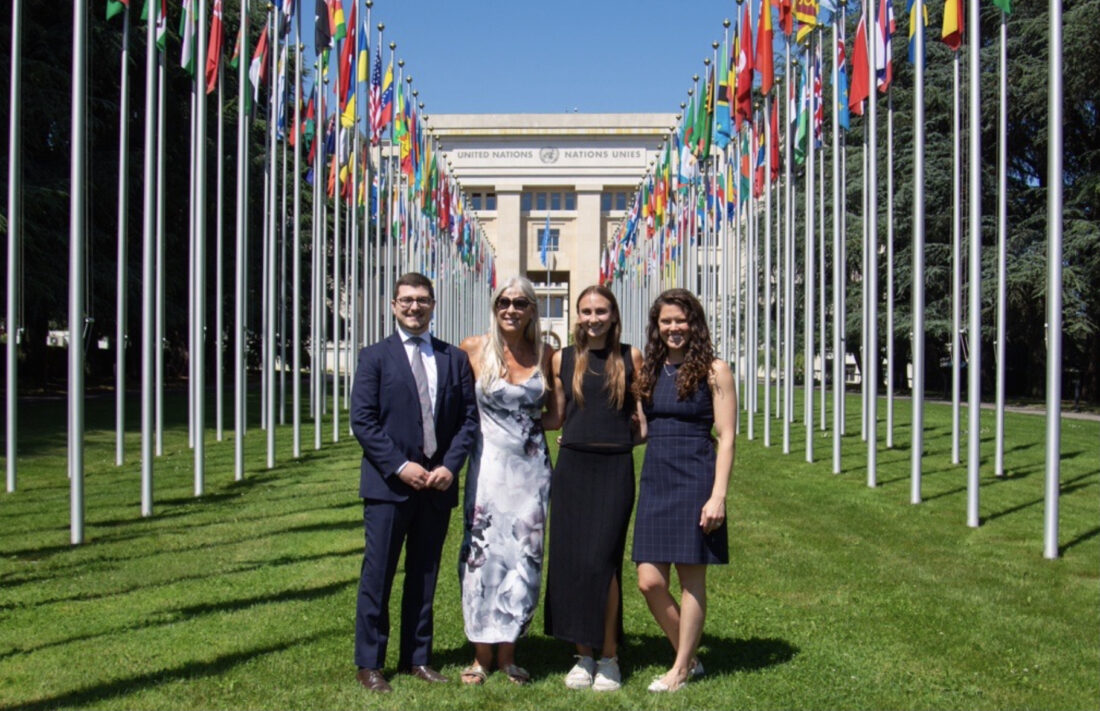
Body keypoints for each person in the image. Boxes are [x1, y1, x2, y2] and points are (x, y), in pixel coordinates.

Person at [350, 272, 480, 694]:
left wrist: (451, 465)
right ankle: (370, 663)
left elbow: (467, 421)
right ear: (393, 305)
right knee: (379, 574)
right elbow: (363, 422)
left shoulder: (453, 359)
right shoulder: (374, 357)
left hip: (437, 486)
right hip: (389, 487)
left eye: (422, 300)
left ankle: (417, 657)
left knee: (424, 574)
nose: (414, 307)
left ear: (433, 305)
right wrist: (399, 465)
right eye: (406, 300)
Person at [631, 288, 737, 693]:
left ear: (694, 323)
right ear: (657, 327)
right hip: (657, 479)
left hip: (696, 479)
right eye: (666, 321)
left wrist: (718, 496)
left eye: (681, 320)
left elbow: (726, 437)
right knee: (649, 581)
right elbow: (642, 429)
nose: (674, 328)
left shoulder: (715, 370)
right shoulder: (651, 370)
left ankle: (678, 671)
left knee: (692, 581)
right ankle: (689, 656)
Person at [542, 285, 646, 692]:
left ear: (613, 314)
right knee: (571, 563)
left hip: (614, 471)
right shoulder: (562, 358)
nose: (592, 318)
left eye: (600, 311)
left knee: (603, 564)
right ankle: (582, 656)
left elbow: (641, 422)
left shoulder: (630, 357)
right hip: (573, 470)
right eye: (585, 311)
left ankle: (609, 657)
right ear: (577, 316)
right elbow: (557, 416)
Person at [457, 276, 558, 686]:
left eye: (520, 303)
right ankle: (481, 656)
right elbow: (458, 407)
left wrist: (525, 430)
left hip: (531, 474)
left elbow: (557, 413)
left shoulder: (545, 353)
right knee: (481, 559)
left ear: (532, 309)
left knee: (525, 559)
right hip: (487, 471)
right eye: (504, 302)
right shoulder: (473, 349)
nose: (511, 310)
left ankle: (510, 655)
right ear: (495, 307)